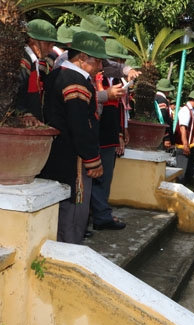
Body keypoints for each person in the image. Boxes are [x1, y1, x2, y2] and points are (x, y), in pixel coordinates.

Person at [38, 31, 107, 244]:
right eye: (98, 60)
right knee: (73, 214)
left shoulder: (57, 74)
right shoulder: (75, 80)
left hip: (55, 153)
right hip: (72, 158)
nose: (101, 66)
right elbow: (80, 124)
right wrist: (92, 159)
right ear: (84, 58)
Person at [90, 39, 132, 232]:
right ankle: (100, 216)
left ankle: (100, 214)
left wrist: (120, 134)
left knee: (104, 179)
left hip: (108, 136)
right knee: (98, 178)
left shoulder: (113, 80)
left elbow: (119, 111)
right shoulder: (98, 80)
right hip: (98, 135)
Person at [16, 19, 57, 127]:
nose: (50, 49)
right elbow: (15, 93)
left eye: (52, 45)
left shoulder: (32, 61)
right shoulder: (23, 61)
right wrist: (24, 113)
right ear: (32, 40)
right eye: (47, 44)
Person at [174, 89, 194, 186]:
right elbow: (183, 128)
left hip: (191, 145)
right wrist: (185, 144)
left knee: (188, 171)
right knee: (181, 172)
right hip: (184, 146)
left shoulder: (193, 111)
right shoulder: (185, 110)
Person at [155, 78, 176, 150]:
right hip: (160, 134)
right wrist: (166, 137)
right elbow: (162, 117)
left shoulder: (155, 97)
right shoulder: (162, 100)